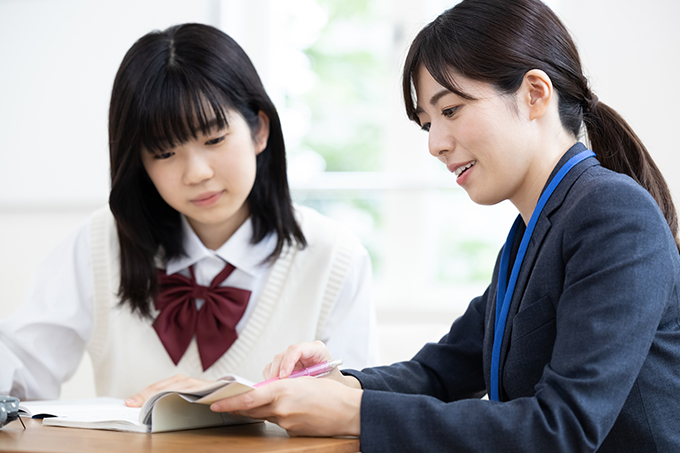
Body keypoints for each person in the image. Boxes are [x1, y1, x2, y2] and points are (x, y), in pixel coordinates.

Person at [207, 0, 680, 451]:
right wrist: (338, 384)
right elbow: (439, 373)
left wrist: (355, 412)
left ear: (535, 94)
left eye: (450, 110)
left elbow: (563, 428)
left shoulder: (613, 216)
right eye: (427, 121)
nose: (435, 143)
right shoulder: (533, 232)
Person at [0, 23, 379, 403]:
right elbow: (21, 369)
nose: (197, 173)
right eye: (164, 153)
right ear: (140, 164)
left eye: (214, 139)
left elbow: (350, 414)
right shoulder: (101, 244)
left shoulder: (334, 257)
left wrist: (225, 402)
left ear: (259, 130)